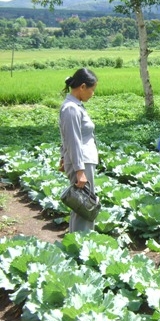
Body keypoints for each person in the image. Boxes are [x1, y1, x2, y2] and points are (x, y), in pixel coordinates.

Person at [59, 68, 99, 232]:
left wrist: (63, 157)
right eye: (92, 89)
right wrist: (79, 170)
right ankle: (81, 242)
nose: (93, 94)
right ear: (82, 87)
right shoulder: (71, 109)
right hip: (81, 162)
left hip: (82, 161)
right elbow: (73, 140)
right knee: (83, 207)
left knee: (82, 205)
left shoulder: (75, 106)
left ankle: (80, 241)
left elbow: (68, 137)